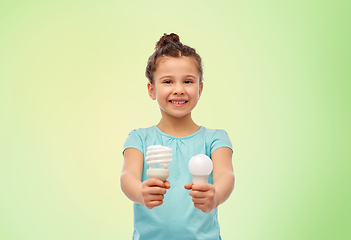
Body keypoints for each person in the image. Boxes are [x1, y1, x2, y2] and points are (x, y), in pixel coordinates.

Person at [120, 33, 235, 240]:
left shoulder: (215, 139)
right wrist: (140, 193)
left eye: (188, 81)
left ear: (200, 89)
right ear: (151, 89)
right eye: (168, 82)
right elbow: (127, 177)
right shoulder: (139, 139)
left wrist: (215, 195)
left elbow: (226, 175)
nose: (179, 90)